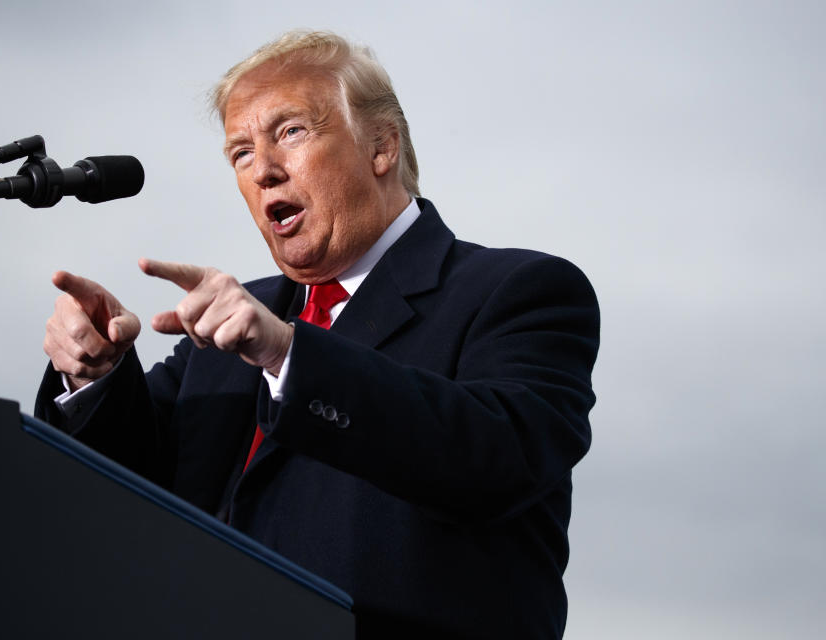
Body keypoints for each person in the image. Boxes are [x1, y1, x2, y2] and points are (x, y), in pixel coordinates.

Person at [35, 30, 600, 639]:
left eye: (291, 132)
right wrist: (94, 376)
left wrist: (288, 355)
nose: (264, 172)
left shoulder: (521, 291)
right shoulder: (226, 329)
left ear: (382, 146)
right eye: (241, 153)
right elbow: (121, 489)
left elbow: (499, 460)